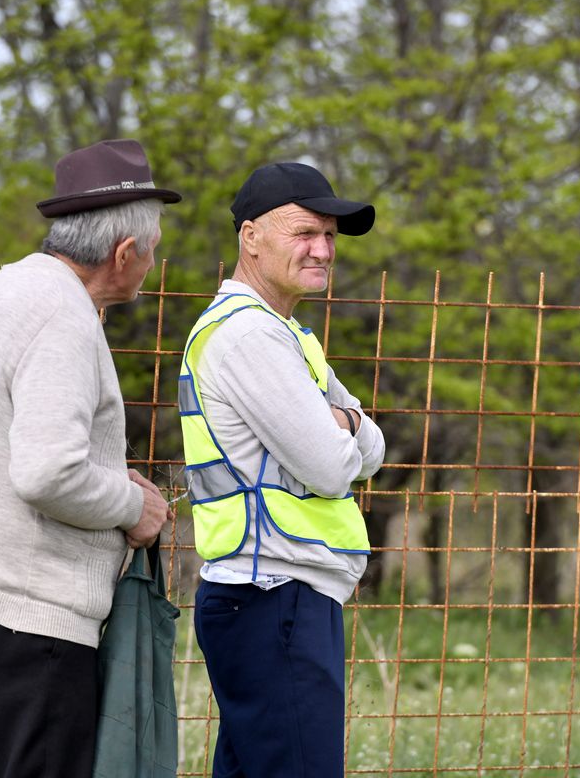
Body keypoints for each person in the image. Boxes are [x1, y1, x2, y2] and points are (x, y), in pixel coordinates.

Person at [0, 139, 180, 778]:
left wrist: (96, 474)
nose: (152, 265)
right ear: (124, 252)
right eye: (152, 251)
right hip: (30, 613)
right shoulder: (64, 317)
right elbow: (46, 472)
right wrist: (133, 505)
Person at [178, 162, 386, 777]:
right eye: (304, 233)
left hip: (272, 595)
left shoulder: (284, 331)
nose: (323, 249)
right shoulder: (250, 336)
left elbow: (373, 447)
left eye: (329, 236)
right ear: (250, 237)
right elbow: (331, 464)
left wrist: (345, 426)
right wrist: (345, 424)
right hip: (274, 595)